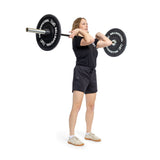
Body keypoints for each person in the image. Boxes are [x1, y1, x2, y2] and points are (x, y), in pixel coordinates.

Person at [68, 17, 112, 146]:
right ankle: (71, 135)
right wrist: (77, 31)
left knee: (91, 106)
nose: (86, 25)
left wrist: (100, 34)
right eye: (83, 24)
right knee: (76, 106)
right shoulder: (77, 40)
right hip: (81, 72)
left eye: (87, 24)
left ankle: (88, 133)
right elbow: (89, 39)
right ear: (77, 26)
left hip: (92, 72)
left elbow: (108, 43)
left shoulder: (92, 41)